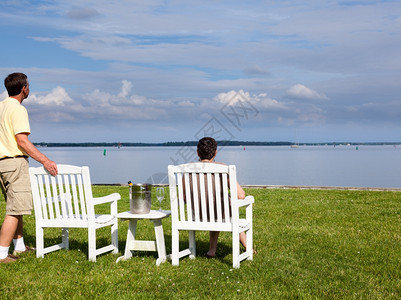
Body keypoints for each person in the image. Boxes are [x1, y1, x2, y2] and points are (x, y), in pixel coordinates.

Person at [0, 73, 58, 263]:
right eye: (29, 85)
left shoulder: (1, 106)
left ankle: (19, 246)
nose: (29, 88)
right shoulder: (18, 109)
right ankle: (1, 254)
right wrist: (45, 161)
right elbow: (22, 141)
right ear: (24, 88)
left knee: (16, 206)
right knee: (15, 210)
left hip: (2, 164)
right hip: (14, 162)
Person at [195, 137, 248, 258]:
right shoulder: (222, 168)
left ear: (198, 152)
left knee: (218, 207)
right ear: (215, 152)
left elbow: (184, 197)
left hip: (198, 215)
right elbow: (241, 195)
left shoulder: (187, 169)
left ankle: (211, 250)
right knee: (226, 208)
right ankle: (248, 247)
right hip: (220, 214)